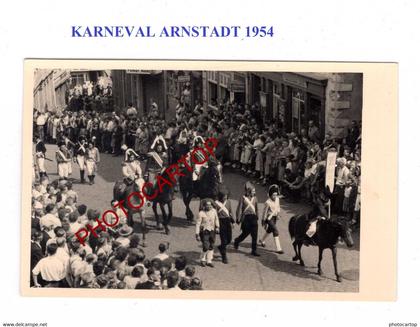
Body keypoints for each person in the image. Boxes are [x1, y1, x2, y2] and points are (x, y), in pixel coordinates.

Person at [234, 182, 260, 256]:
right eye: (253, 191)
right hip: (246, 218)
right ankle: (237, 240)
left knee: (255, 235)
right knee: (245, 233)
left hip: (253, 217)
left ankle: (254, 250)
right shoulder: (243, 198)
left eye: (254, 191)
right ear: (249, 191)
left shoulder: (255, 198)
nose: (254, 193)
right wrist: (238, 218)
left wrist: (257, 216)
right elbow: (238, 209)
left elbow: (257, 208)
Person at [259, 185, 284, 254]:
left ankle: (262, 240)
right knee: (275, 231)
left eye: (276, 195)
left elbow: (278, 207)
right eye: (273, 195)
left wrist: (278, 215)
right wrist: (263, 221)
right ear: (270, 195)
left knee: (269, 230)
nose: (275, 197)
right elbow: (264, 212)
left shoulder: (277, 199)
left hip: (275, 217)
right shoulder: (267, 202)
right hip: (269, 218)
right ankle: (279, 248)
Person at [195, 199, 219, 267]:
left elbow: (216, 219)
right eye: (207, 206)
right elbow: (198, 224)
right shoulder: (201, 213)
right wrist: (197, 234)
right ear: (204, 206)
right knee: (206, 246)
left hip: (212, 231)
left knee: (211, 245)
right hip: (204, 232)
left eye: (210, 205)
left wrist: (217, 227)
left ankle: (209, 260)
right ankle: (203, 259)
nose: (209, 207)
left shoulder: (214, 211)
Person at [215, 187, 235, 264]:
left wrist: (232, 222)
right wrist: (217, 226)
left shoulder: (228, 202)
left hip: (227, 221)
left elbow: (230, 212)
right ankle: (224, 256)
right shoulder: (216, 203)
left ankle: (221, 247)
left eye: (226, 196)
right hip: (220, 221)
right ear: (220, 196)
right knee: (223, 240)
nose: (225, 197)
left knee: (229, 239)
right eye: (224, 196)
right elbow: (215, 215)